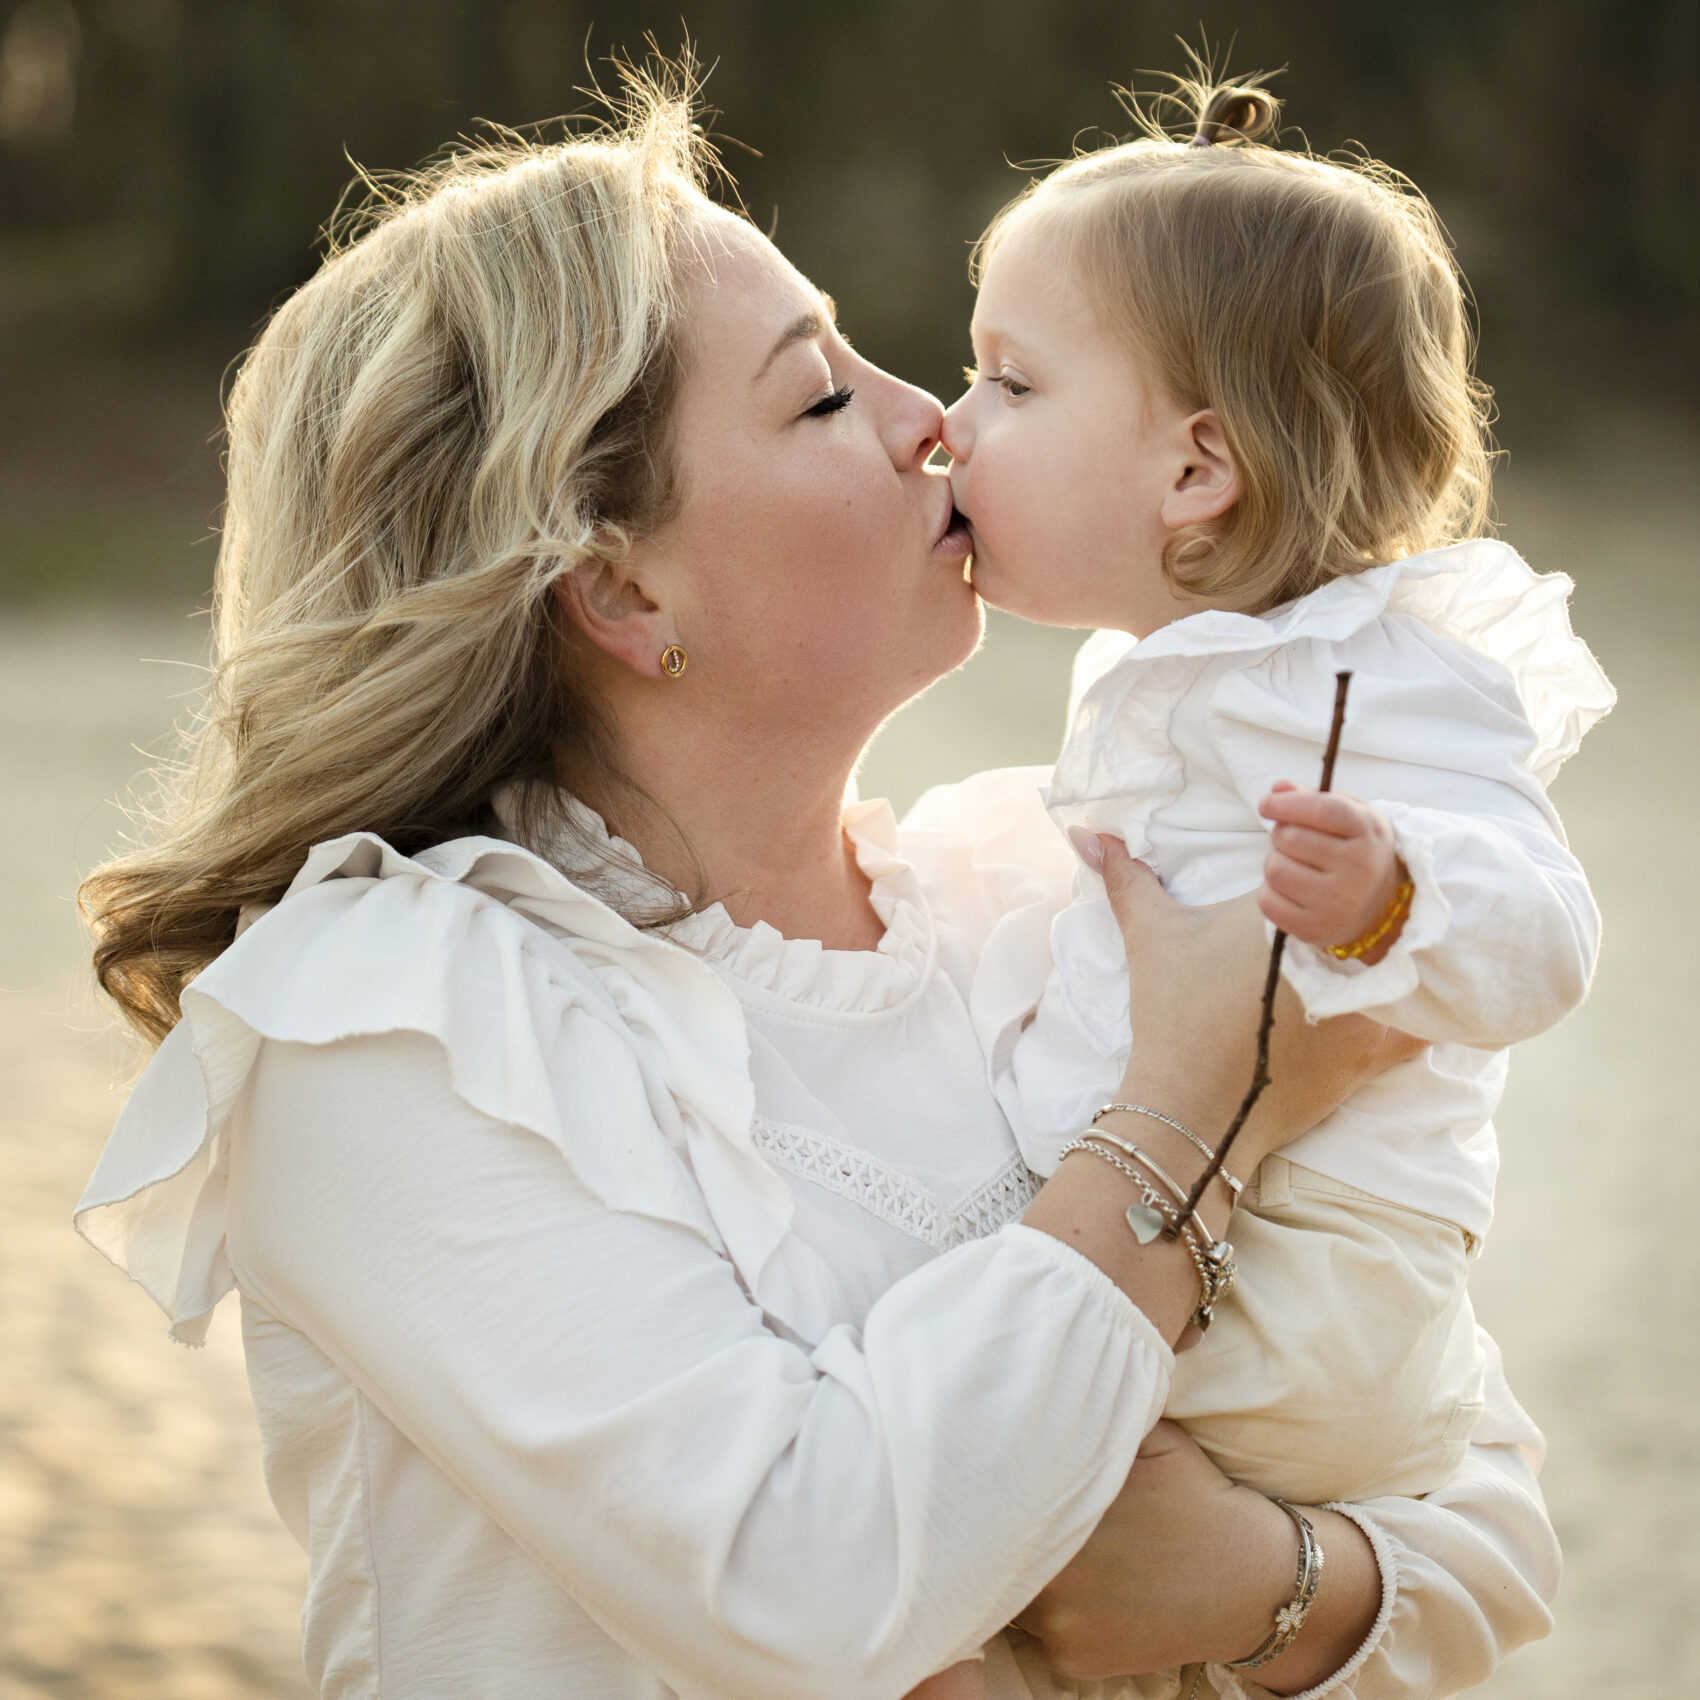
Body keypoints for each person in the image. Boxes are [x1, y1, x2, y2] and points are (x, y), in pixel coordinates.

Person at [74, 74, 1559, 1700]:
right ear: (621, 588)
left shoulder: (1032, 894)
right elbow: (799, 1586)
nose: (930, 412)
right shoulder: (390, 1023)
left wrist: (1269, 1589)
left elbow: (1472, 1484)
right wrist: (1198, 1101)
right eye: (818, 399)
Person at [919, 73, 1609, 1697]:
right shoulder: (1167, 661)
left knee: (972, 1492)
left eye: (1009, 381)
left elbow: (1549, 933)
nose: (951, 423)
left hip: (1312, 1260)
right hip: (1213, 1227)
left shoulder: (1382, 674)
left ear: (1195, 475)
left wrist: (1396, 897)